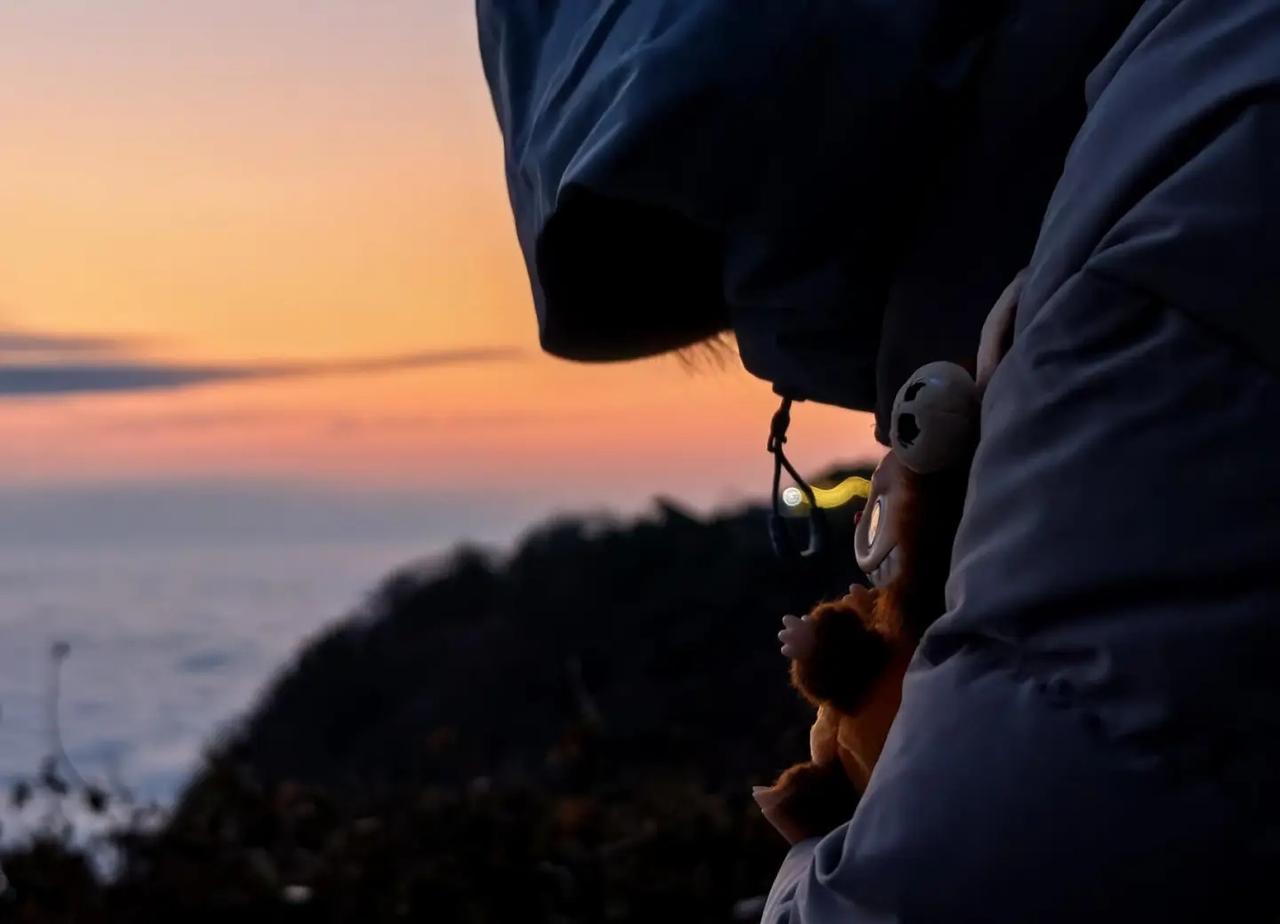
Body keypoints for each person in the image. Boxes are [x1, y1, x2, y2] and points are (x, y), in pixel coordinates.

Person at [477, 1, 1280, 919]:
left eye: (716, 267)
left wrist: (805, 873)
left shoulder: (1186, 193)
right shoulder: (1170, 127)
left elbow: (971, 871)